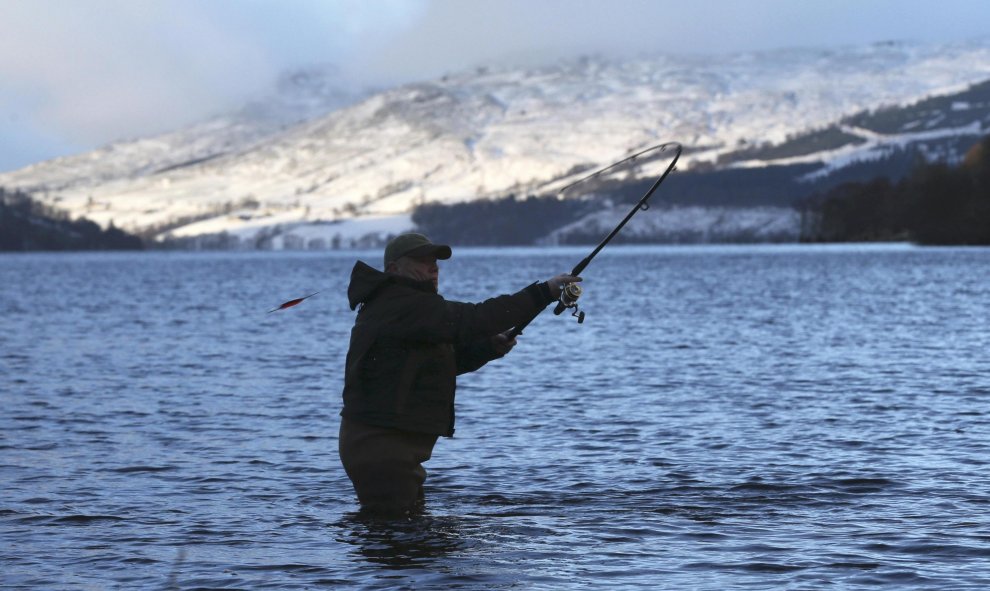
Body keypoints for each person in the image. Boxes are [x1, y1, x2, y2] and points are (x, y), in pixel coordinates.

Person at [339, 232, 580, 515]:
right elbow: (477, 318)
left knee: (407, 541)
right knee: (398, 545)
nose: (433, 268)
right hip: (381, 450)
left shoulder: (403, 307)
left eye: (435, 262)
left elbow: (436, 363)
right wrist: (543, 293)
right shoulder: (403, 304)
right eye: (422, 261)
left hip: (386, 448)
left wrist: (487, 348)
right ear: (393, 269)